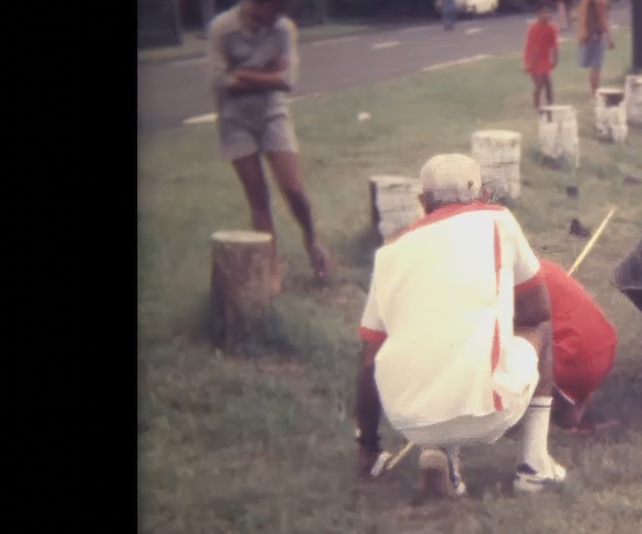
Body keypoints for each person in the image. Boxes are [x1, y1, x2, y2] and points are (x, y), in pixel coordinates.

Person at [354, 154, 566, 497]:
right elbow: (539, 309)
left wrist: (368, 447)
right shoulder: (499, 219)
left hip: (412, 421)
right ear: (481, 192)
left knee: (434, 336)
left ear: (422, 201)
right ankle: (534, 466)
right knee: (539, 327)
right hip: (488, 413)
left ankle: (440, 454)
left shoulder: (390, 252)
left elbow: (368, 361)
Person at [207, 0, 333, 295]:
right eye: (270, 8)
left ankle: (312, 239)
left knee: (293, 188)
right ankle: (271, 267)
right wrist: (267, 74)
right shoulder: (222, 29)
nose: (274, 16)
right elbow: (219, 79)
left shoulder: (283, 28)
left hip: (272, 113)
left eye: (279, 10)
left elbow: (287, 80)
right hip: (235, 119)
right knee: (258, 197)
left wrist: (242, 72)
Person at [536, 260, 619, 434]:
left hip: (575, 357)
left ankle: (539, 417)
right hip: (605, 345)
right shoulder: (541, 266)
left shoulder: (508, 280)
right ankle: (575, 410)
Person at [524, 3, 560, 109]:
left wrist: (555, 60)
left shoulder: (552, 27)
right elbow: (535, 49)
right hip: (532, 57)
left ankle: (551, 105)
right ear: (538, 14)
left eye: (548, 13)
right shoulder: (534, 28)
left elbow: (555, 45)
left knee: (548, 83)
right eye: (543, 13)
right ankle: (537, 106)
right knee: (539, 82)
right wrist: (532, 66)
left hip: (544, 57)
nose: (546, 15)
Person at [577, 0, 616, 96]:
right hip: (595, 34)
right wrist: (609, 37)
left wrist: (582, 29)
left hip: (592, 34)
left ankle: (594, 92)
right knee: (596, 67)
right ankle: (594, 92)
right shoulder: (599, 2)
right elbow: (603, 19)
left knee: (594, 66)